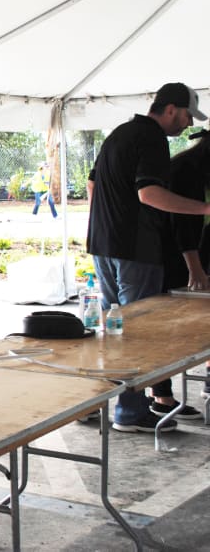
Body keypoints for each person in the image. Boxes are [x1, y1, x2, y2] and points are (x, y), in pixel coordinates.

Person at [87, 82, 210, 432]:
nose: (187, 125)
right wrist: (204, 207)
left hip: (103, 245)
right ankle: (129, 411)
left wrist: (106, 222)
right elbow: (149, 193)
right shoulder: (153, 139)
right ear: (170, 109)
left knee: (113, 330)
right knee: (140, 332)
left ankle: (94, 404)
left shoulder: (119, 133)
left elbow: (93, 185)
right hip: (135, 250)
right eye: (187, 116)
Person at [163, 129, 210, 402]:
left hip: (200, 251)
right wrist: (195, 267)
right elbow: (181, 224)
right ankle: (162, 396)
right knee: (169, 326)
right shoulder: (185, 169)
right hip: (174, 255)